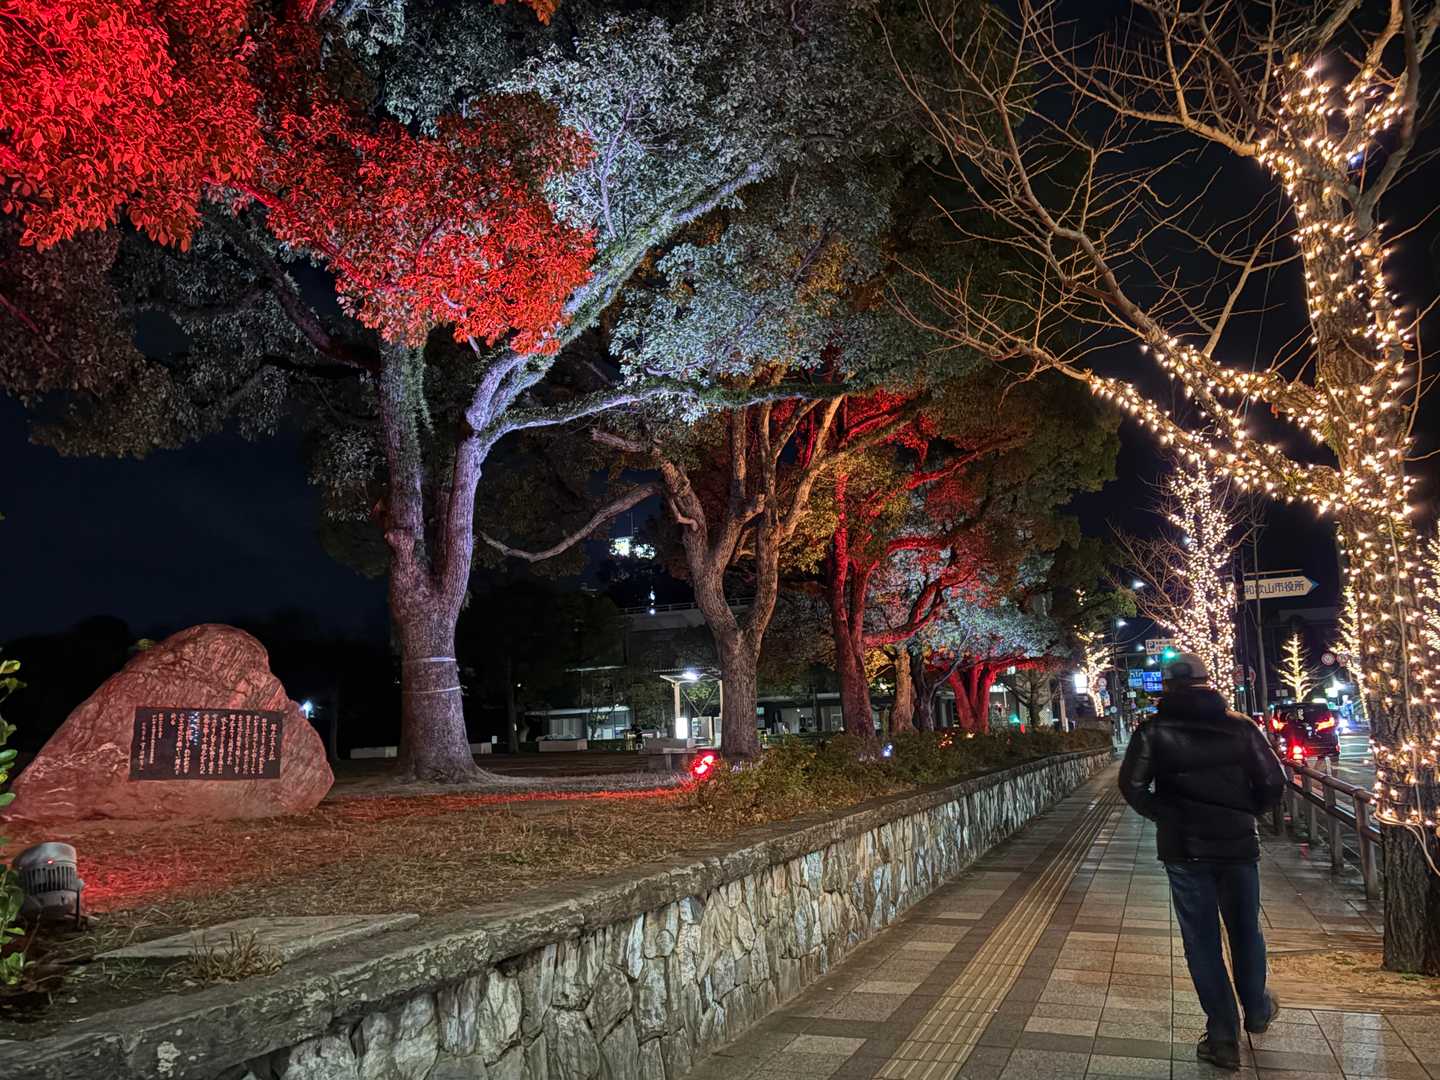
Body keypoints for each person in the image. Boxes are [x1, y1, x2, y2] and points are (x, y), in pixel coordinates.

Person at [1118, 652, 1287, 1072]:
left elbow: (1132, 785)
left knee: (1202, 941)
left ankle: (1223, 1037)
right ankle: (1257, 1009)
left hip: (1184, 848)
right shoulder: (1241, 726)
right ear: (1207, 681)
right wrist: (1246, 811)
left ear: (1167, 687)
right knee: (1245, 929)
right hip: (1238, 845)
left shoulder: (1153, 730)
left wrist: (1166, 816)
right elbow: (1273, 781)